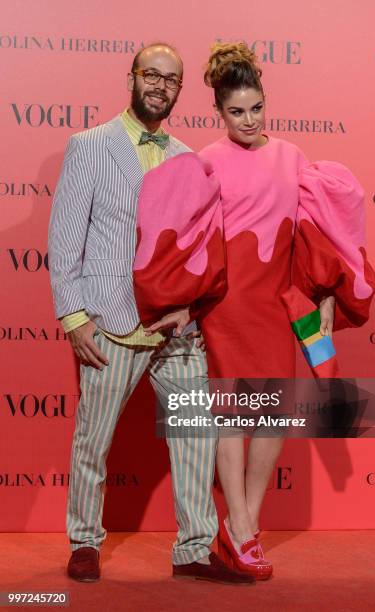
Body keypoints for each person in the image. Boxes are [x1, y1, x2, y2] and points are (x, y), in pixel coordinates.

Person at [48, 42, 253, 586]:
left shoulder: (189, 157)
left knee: (194, 437)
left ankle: (193, 547)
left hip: (173, 329)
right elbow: (66, 239)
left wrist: (189, 307)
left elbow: (200, 245)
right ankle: (85, 541)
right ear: (132, 77)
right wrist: (74, 318)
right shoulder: (89, 146)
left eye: (171, 80)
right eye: (152, 75)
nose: (160, 86)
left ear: (180, 91)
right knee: (93, 439)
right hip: (111, 322)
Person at [195, 42, 375, 579]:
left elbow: (314, 236)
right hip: (227, 305)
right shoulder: (204, 161)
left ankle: (246, 522)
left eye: (256, 108)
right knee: (231, 419)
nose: (248, 120)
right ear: (218, 111)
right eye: (236, 111)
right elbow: (197, 240)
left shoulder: (292, 157)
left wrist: (322, 297)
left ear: (265, 102)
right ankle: (241, 525)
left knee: (272, 418)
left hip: (277, 304)